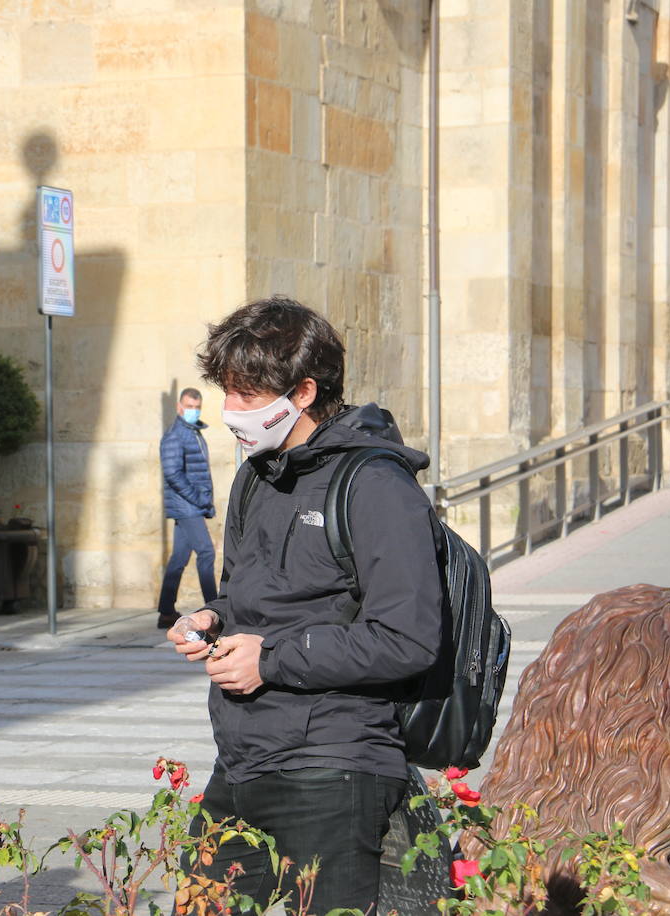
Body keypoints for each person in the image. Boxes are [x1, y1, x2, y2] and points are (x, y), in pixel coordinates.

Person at [168, 296, 442, 913]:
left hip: (335, 767)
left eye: (247, 395)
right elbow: (244, 594)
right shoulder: (256, 476)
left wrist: (271, 661)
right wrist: (209, 618)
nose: (231, 412)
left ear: (304, 392)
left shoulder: (375, 485)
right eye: (227, 393)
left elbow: (408, 636)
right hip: (241, 758)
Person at [156, 386, 218, 629]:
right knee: (207, 552)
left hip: (190, 505)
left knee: (179, 558)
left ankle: (166, 611)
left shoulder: (193, 432)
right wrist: (198, 498)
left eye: (196, 407)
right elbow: (172, 473)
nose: (193, 411)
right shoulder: (175, 435)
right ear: (179, 408)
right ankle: (214, 607)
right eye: (189, 407)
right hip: (187, 506)